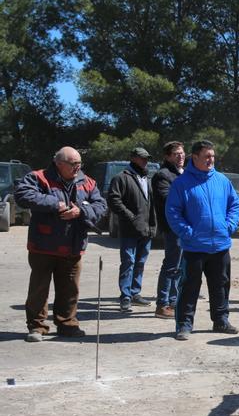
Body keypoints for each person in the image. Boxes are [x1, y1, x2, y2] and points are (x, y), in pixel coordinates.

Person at [14, 147, 107, 342]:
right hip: (43, 246)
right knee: (39, 288)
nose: (77, 168)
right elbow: (23, 195)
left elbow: (101, 206)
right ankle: (37, 327)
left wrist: (80, 211)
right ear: (58, 163)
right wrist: (56, 204)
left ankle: (67, 324)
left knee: (70, 289)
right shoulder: (38, 177)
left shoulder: (87, 182)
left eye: (79, 163)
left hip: (73, 246)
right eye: (73, 164)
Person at [165, 140, 239, 340]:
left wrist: (229, 226)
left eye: (212, 156)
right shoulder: (181, 183)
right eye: (206, 156)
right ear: (195, 157)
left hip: (220, 245)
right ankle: (184, 325)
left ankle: (221, 321)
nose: (211, 160)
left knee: (221, 286)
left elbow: (234, 205)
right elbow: (173, 212)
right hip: (194, 247)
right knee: (189, 287)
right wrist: (188, 233)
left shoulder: (222, 181)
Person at [108, 147, 157, 312]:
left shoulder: (147, 178)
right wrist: (131, 217)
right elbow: (114, 200)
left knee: (140, 262)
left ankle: (135, 293)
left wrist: (152, 225)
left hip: (146, 229)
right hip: (130, 229)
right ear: (133, 158)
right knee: (128, 262)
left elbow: (152, 204)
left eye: (146, 158)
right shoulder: (121, 178)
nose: (145, 161)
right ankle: (125, 296)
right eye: (142, 158)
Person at [152, 141, 186, 319]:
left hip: (185, 227)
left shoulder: (184, 173)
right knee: (171, 265)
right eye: (176, 154)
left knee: (180, 267)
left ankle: (173, 301)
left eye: (182, 153)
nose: (180, 156)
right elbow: (167, 199)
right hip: (172, 227)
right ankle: (162, 304)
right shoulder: (162, 175)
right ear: (167, 157)